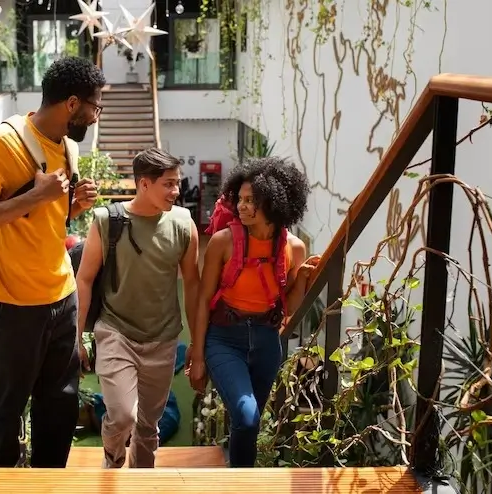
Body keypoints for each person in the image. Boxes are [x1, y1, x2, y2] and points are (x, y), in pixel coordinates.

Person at [0, 56, 105, 468]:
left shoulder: (68, 149)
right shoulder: (1, 145)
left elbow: (45, 224)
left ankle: (49, 483)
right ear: (72, 104)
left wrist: (72, 206)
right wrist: (35, 197)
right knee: (8, 409)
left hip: (61, 294)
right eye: (95, 106)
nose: (96, 116)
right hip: (12, 302)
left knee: (59, 408)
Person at [186, 157, 318, 468]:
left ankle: (237, 474)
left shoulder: (294, 248)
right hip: (224, 338)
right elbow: (204, 300)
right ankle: (241, 483)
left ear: (272, 203)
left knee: (249, 422)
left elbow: (290, 307)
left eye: (251, 201)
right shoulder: (223, 242)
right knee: (246, 416)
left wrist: (301, 280)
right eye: (240, 200)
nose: (242, 207)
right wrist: (198, 355)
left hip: (266, 342)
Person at [75, 147, 200, 468]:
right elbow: (85, 279)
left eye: (177, 183)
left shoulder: (183, 223)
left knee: (149, 424)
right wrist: (77, 338)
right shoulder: (106, 220)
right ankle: (113, 463)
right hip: (116, 331)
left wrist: (198, 344)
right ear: (144, 184)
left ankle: (143, 478)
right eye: (168, 184)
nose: (176, 191)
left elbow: (193, 285)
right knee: (121, 415)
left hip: (163, 338)